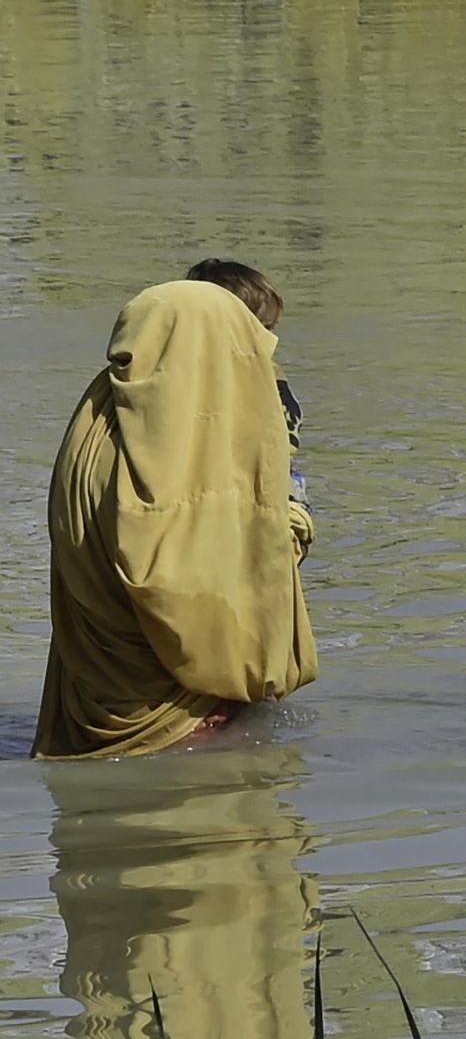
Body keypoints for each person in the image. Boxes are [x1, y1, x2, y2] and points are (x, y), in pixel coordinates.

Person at [33, 280, 318, 759]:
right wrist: (292, 520)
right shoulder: (192, 445)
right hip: (186, 718)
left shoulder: (95, 426)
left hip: (92, 703)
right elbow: (184, 586)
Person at [185, 258, 308, 509]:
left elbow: (282, 466)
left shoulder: (270, 381)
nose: (270, 339)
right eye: (258, 328)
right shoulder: (183, 383)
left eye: (271, 328)